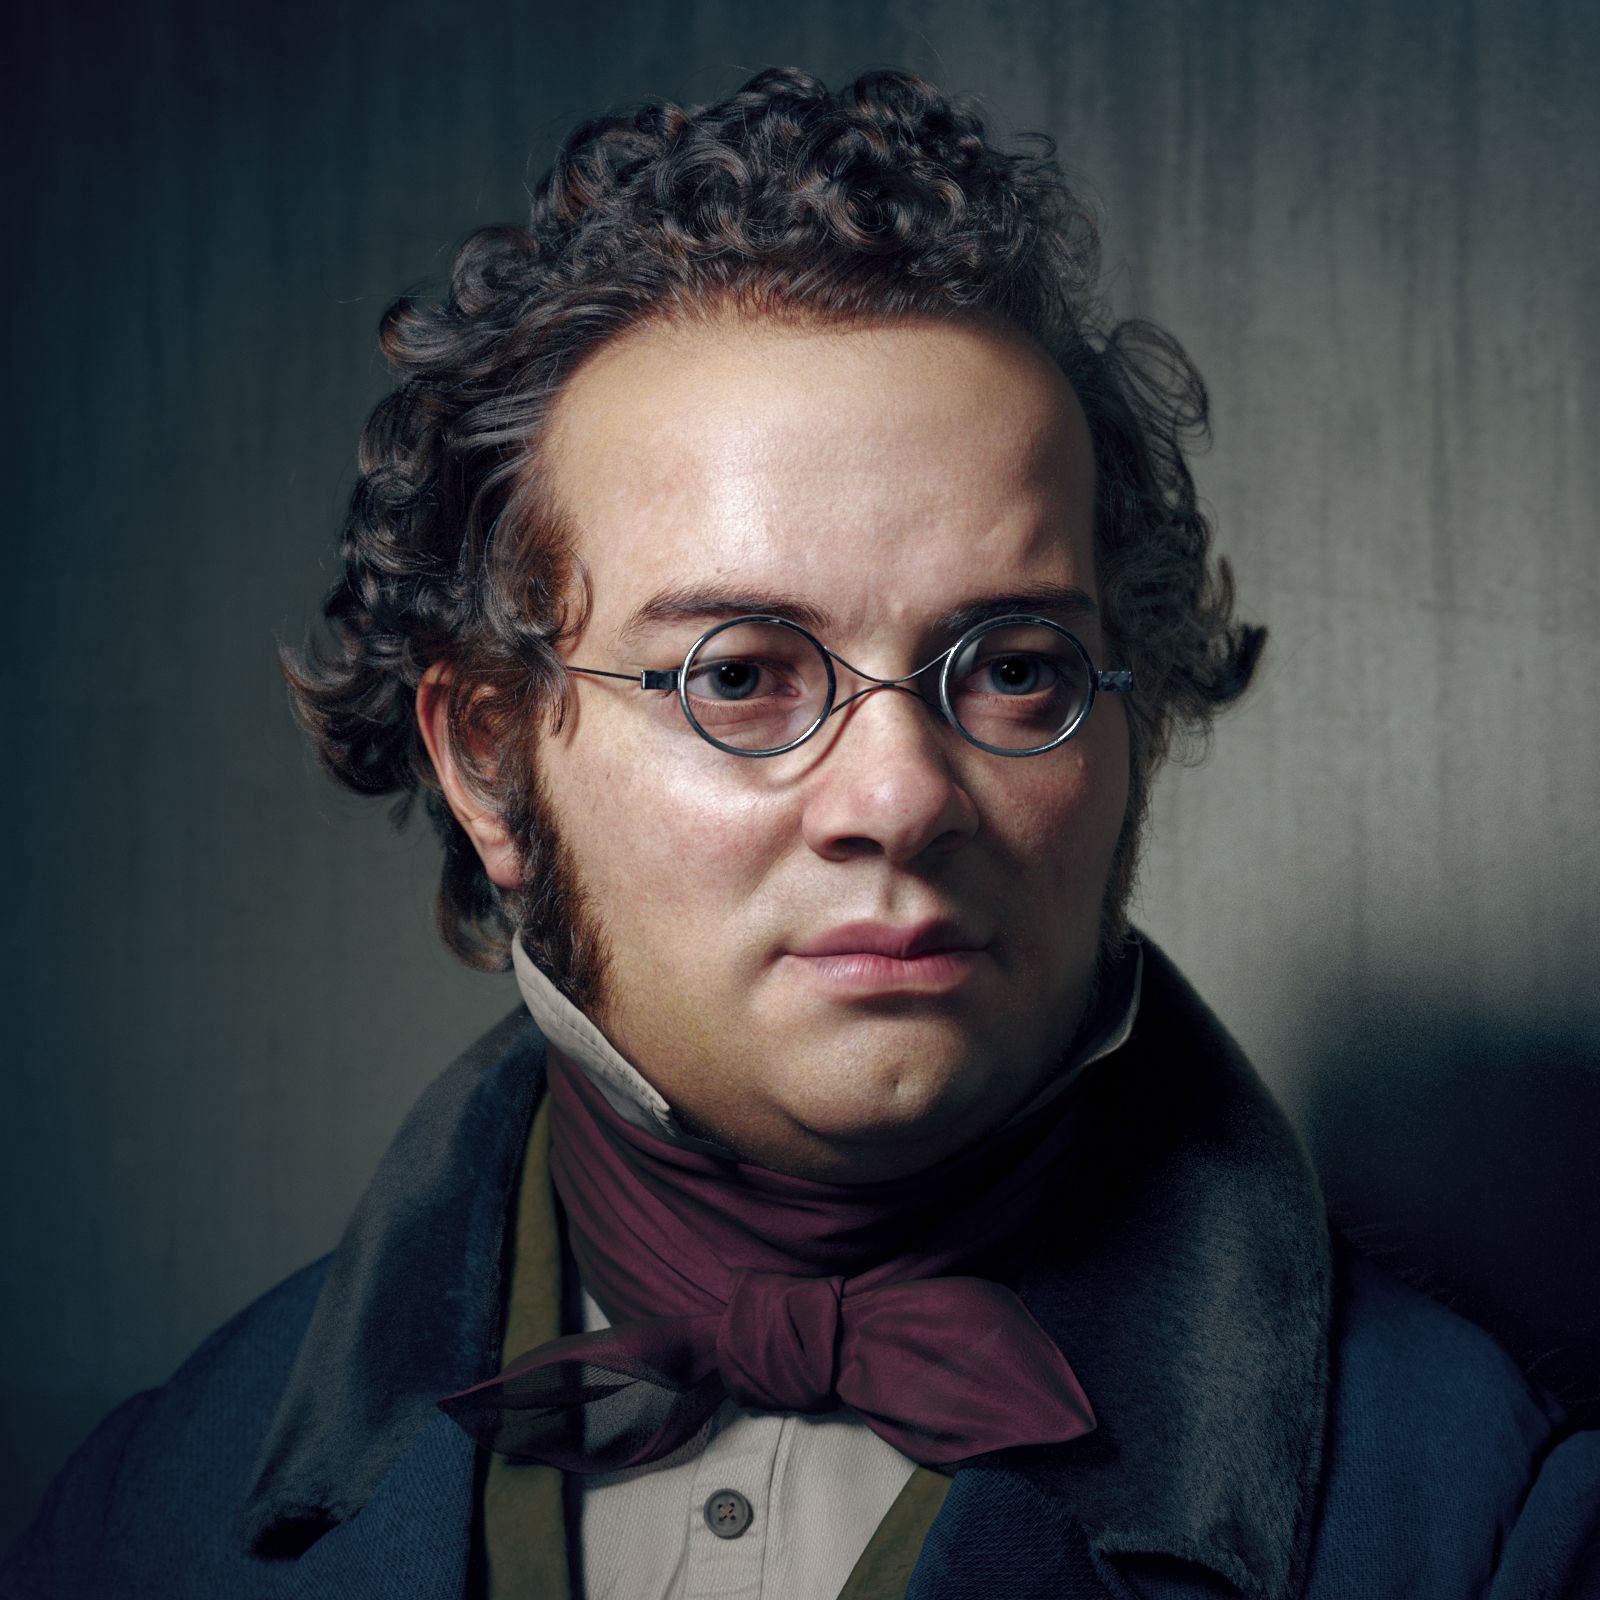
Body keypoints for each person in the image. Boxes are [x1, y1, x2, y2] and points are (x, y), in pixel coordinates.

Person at [5, 65, 1596, 1600]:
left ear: (1132, 725)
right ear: (489, 762)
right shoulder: (141, 1520)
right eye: (741, 675)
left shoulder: (1491, 1528)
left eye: (1014, 667)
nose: (898, 796)